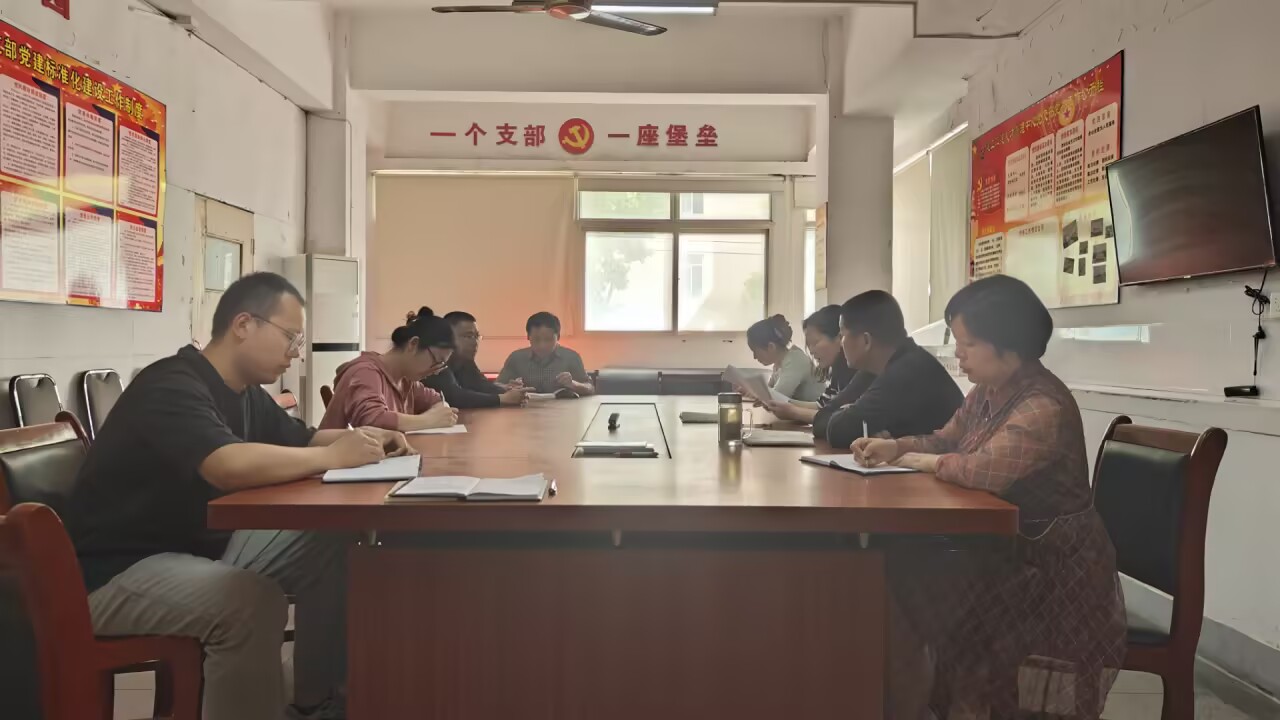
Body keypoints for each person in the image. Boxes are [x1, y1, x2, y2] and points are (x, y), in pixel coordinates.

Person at [64, 272, 413, 720]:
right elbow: (225, 464)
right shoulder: (171, 384)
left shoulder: (243, 391)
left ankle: (316, 704)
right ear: (244, 325)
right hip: (115, 571)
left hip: (197, 551)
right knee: (249, 603)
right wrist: (334, 457)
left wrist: (368, 437)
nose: (296, 352)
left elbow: (305, 439)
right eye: (291, 337)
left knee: (331, 536)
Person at [853, 275, 1126, 718]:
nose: (958, 353)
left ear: (1009, 345)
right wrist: (896, 447)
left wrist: (917, 460)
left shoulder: (1042, 406)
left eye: (969, 343)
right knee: (895, 565)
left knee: (904, 576)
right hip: (1003, 549)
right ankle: (923, 703)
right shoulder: (987, 391)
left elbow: (981, 471)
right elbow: (946, 439)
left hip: (1049, 567)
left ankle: (924, 705)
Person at [824, 290, 963, 447]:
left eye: (842, 335)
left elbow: (837, 430)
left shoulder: (908, 370)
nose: (840, 343)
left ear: (866, 340)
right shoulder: (876, 368)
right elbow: (823, 420)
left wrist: (851, 415)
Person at [318, 307, 458, 431]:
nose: (436, 371)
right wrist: (428, 420)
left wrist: (440, 413)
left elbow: (437, 401)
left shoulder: (406, 381)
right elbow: (372, 421)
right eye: (436, 361)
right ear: (413, 344)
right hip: (339, 452)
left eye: (441, 365)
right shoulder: (365, 372)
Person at [764, 305, 873, 438]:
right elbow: (823, 406)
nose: (811, 350)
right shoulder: (838, 371)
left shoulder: (858, 373)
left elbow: (839, 419)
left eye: (815, 342)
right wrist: (781, 404)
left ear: (839, 338)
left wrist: (793, 411)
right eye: (808, 345)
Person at [423, 311, 528, 408]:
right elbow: (454, 397)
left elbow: (482, 385)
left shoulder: (466, 360)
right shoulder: (436, 359)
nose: (475, 342)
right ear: (447, 337)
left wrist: (508, 391)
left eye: (476, 336)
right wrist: (502, 399)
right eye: (468, 336)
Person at [498, 311, 594, 395]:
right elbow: (496, 385)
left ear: (558, 337)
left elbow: (590, 388)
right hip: (525, 407)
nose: (542, 345)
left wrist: (573, 384)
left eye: (548, 339)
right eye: (536, 339)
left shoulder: (571, 357)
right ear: (528, 336)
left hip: (561, 408)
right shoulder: (516, 358)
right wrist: (507, 387)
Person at [745, 314, 826, 402]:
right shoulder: (779, 363)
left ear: (771, 347)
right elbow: (769, 392)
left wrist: (756, 393)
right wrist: (753, 392)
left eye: (755, 351)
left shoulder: (795, 361)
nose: (754, 357)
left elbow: (776, 397)